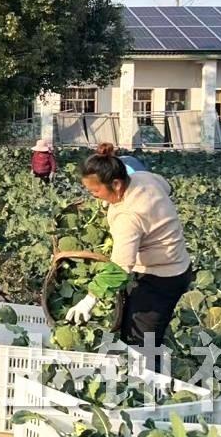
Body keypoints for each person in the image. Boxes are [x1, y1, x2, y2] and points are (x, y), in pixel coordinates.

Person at [66, 143, 192, 368]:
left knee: (139, 342)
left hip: (161, 277)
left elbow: (120, 268)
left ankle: (147, 383)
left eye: (96, 191)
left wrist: (90, 299)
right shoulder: (145, 178)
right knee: (140, 328)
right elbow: (168, 186)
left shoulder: (128, 217)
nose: (94, 196)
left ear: (116, 184)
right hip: (178, 264)